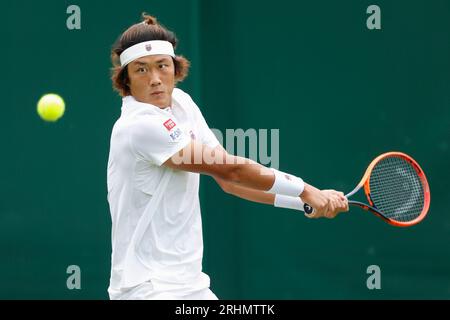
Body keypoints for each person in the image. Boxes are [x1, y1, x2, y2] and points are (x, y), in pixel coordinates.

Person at [106, 13, 348, 300]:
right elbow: (232, 170)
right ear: (127, 81)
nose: (156, 79)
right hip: (147, 289)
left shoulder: (182, 103)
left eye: (162, 66)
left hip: (190, 286)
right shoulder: (139, 126)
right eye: (141, 70)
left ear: (175, 68)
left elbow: (227, 182)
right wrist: (306, 189)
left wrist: (303, 201)